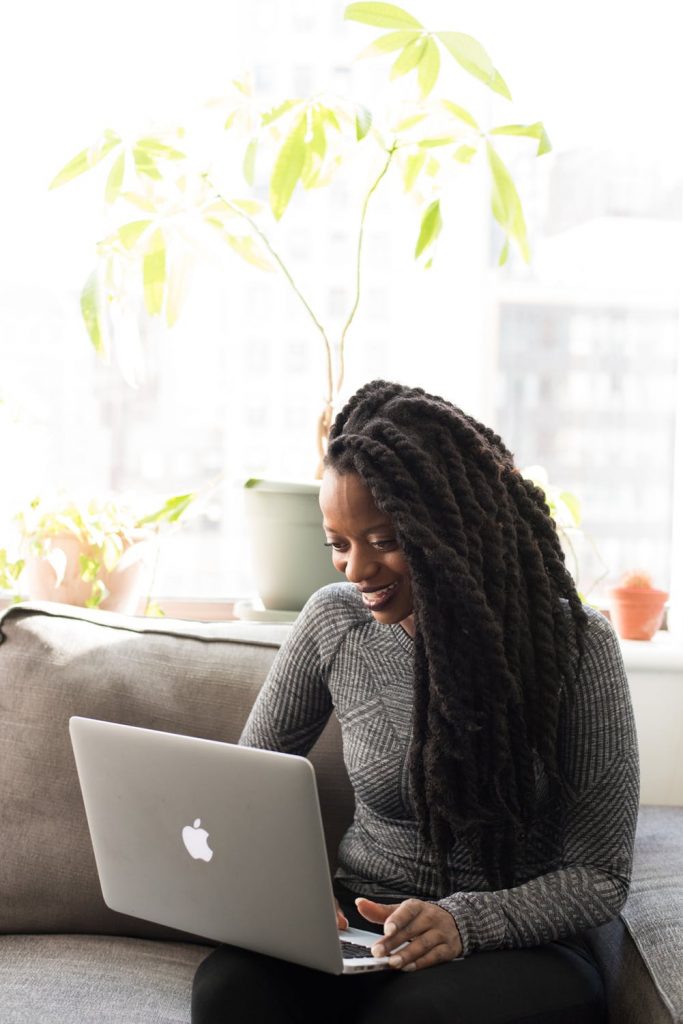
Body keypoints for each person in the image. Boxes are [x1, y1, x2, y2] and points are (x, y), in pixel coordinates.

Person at [192, 379, 639, 1024]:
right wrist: (287, 893)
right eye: (338, 544)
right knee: (229, 993)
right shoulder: (333, 624)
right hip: (362, 920)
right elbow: (242, 785)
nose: (355, 570)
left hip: (513, 941)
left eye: (384, 540)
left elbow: (600, 873)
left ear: (451, 529)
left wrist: (463, 923)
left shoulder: (575, 647)